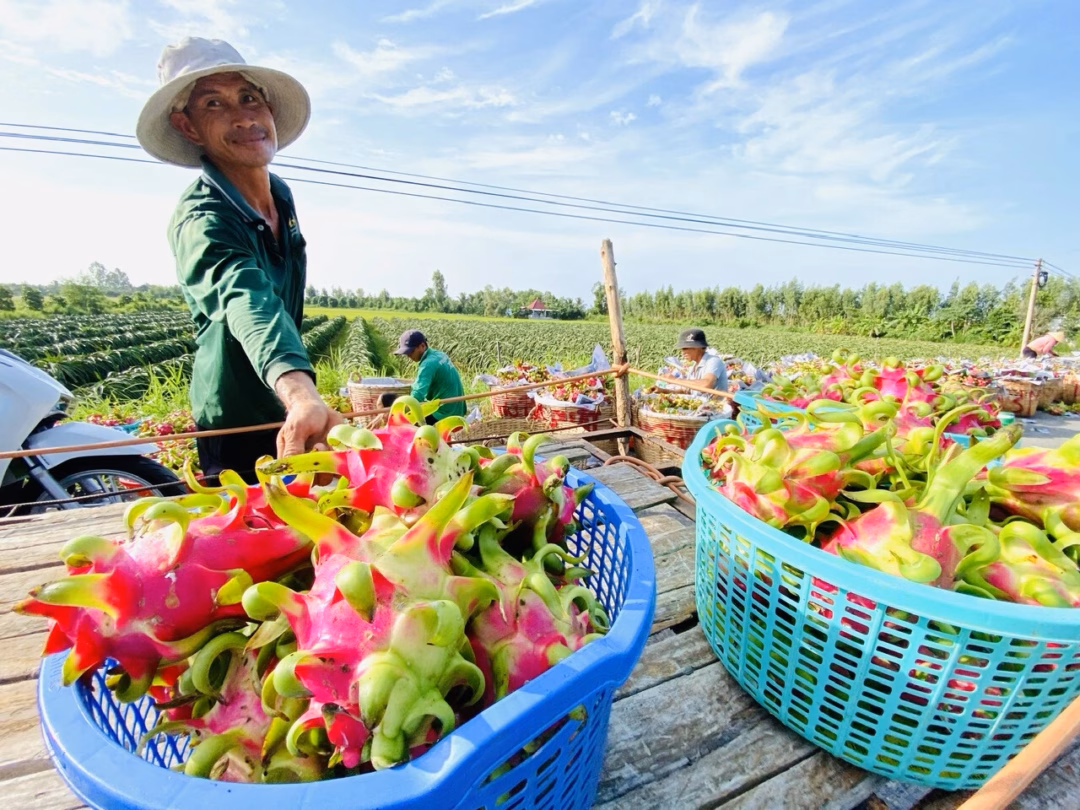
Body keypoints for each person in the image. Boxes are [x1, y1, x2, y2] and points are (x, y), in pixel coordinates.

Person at [136, 37, 342, 480]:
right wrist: (301, 394)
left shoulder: (280, 195)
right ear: (188, 127)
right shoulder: (202, 220)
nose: (244, 116)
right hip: (235, 421)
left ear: (269, 108)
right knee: (251, 517)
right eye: (214, 103)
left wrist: (298, 397)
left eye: (249, 97)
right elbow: (247, 297)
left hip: (284, 402)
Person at [393, 330, 466, 422]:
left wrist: (397, 413)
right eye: (407, 353)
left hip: (444, 413)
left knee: (405, 422)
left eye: (411, 351)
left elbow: (417, 395)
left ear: (422, 346)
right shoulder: (439, 354)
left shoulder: (428, 364)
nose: (409, 356)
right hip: (458, 409)